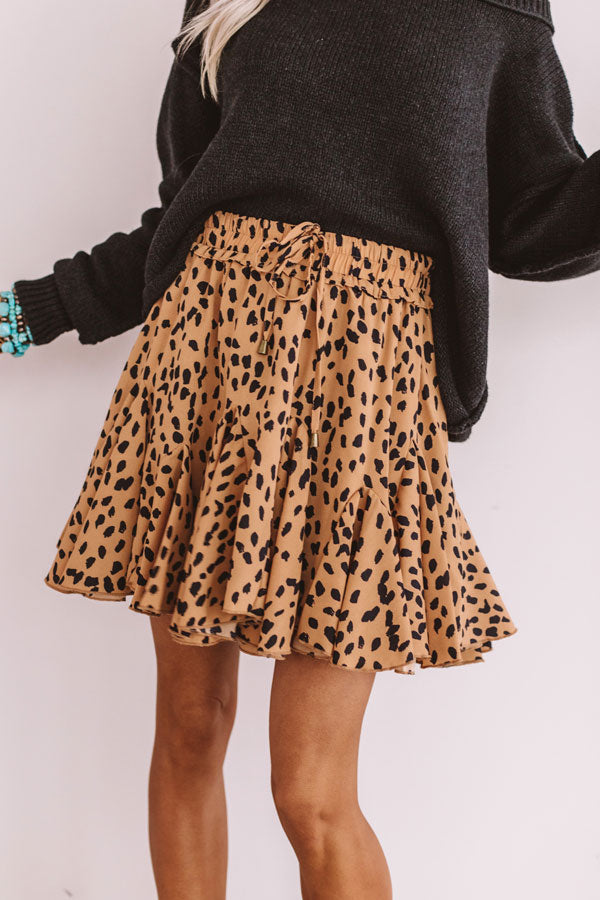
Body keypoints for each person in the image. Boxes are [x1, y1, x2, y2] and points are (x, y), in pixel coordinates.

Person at [3, 1, 598, 897]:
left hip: (366, 400)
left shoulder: (499, 10)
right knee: (190, 728)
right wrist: (21, 315)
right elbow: (184, 212)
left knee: (311, 794)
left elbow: (533, 217)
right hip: (204, 368)